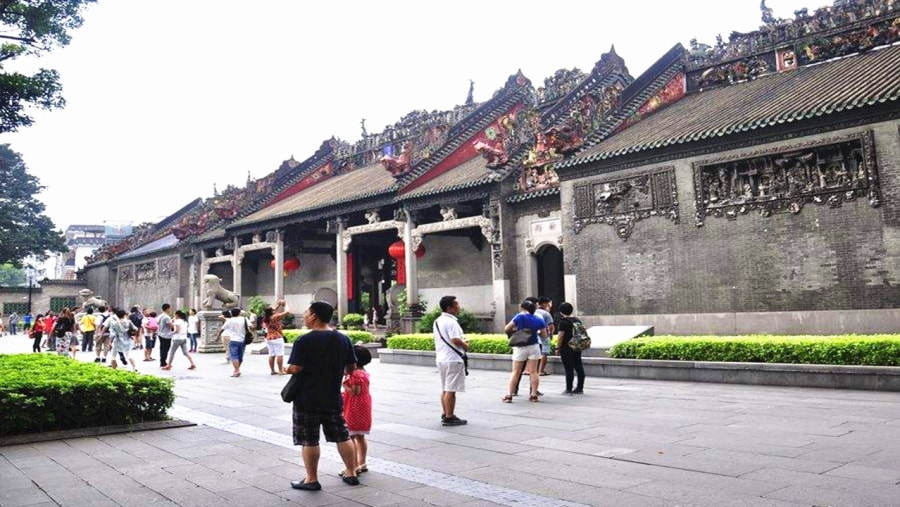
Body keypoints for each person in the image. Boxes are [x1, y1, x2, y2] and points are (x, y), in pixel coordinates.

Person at [286, 301, 360, 491]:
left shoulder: (304, 341)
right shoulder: (343, 339)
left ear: (314, 316)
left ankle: (311, 479)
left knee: (309, 439)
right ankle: (351, 472)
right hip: (332, 396)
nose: (304, 316)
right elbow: (351, 367)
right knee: (342, 436)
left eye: (306, 313)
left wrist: (286, 369)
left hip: (306, 398)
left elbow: (296, 368)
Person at [433, 295, 469, 426]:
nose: (459, 307)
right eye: (456, 305)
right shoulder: (452, 322)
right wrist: (466, 345)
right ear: (449, 308)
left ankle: (445, 412)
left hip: (442, 358)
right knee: (451, 389)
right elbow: (455, 340)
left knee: (445, 388)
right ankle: (449, 416)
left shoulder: (438, 321)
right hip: (453, 359)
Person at [502, 300, 547, 403]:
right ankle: (534, 395)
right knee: (534, 372)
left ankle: (509, 395)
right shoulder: (539, 319)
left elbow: (506, 328)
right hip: (534, 346)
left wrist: (515, 329)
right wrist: (536, 331)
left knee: (516, 372)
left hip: (520, 346)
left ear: (523, 308)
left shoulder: (519, 316)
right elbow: (544, 335)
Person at [342, 345, 372, 475]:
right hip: (364, 406)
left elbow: (355, 392)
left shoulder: (354, 374)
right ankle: (362, 462)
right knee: (360, 436)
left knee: (351, 436)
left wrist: (344, 385)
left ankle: (353, 466)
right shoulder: (363, 372)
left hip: (354, 407)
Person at [556, 302, 586, 395]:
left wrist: (557, 347)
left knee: (569, 368)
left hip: (566, 347)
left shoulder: (563, 322)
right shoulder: (577, 320)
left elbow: (561, 336)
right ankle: (580, 388)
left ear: (561, 311)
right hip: (577, 346)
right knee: (579, 366)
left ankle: (568, 389)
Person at [263, 300, 289, 375]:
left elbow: (272, 310)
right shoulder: (275, 317)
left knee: (272, 355)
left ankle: (272, 370)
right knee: (280, 354)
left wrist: (278, 304)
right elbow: (287, 312)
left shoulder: (266, 318)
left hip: (269, 338)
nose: (274, 310)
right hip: (277, 337)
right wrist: (286, 304)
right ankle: (280, 370)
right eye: (273, 310)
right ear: (272, 312)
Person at [221, 308, 247, 377]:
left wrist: (217, 336)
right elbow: (252, 327)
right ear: (239, 313)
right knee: (240, 356)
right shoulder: (244, 319)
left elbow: (222, 328)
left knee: (234, 356)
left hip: (233, 340)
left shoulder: (230, 320)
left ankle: (237, 370)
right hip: (243, 340)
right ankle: (237, 370)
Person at [536, 297, 555, 376]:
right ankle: (541, 371)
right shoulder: (546, 313)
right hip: (544, 335)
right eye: (548, 304)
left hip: (534, 335)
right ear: (544, 304)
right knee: (544, 352)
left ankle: (530, 370)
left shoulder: (534, 312)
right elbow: (551, 326)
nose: (549, 305)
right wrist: (551, 334)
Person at [157, 304, 174, 368]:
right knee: (165, 349)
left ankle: (162, 361)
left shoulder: (160, 316)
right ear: (167, 309)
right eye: (169, 308)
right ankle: (163, 363)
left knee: (162, 348)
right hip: (166, 335)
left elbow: (157, 323)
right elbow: (171, 326)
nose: (170, 310)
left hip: (160, 334)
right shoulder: (167, 317)